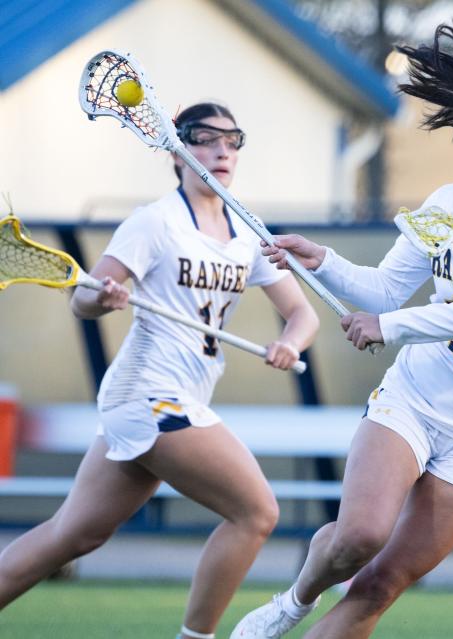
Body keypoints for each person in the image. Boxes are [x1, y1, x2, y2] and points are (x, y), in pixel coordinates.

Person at [230, 11, 453, 639]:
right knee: (358, 536)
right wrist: (325, 260)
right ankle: (294, 601)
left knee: (381, 583)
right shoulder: (447, 204)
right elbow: (384, 289)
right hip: (416, 396)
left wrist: (388, 327)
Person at [0, 103, 319, 639]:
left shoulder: (245, 231)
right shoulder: (154, 222)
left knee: (73, 536)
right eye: (204, 139)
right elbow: (82, 301)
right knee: (257, 512)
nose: (220, 151)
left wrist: (289, 343)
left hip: (176, 398)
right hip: (148, 394)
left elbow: (303, 313)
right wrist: (104, 298)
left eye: (232, 140)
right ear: (176, 151)